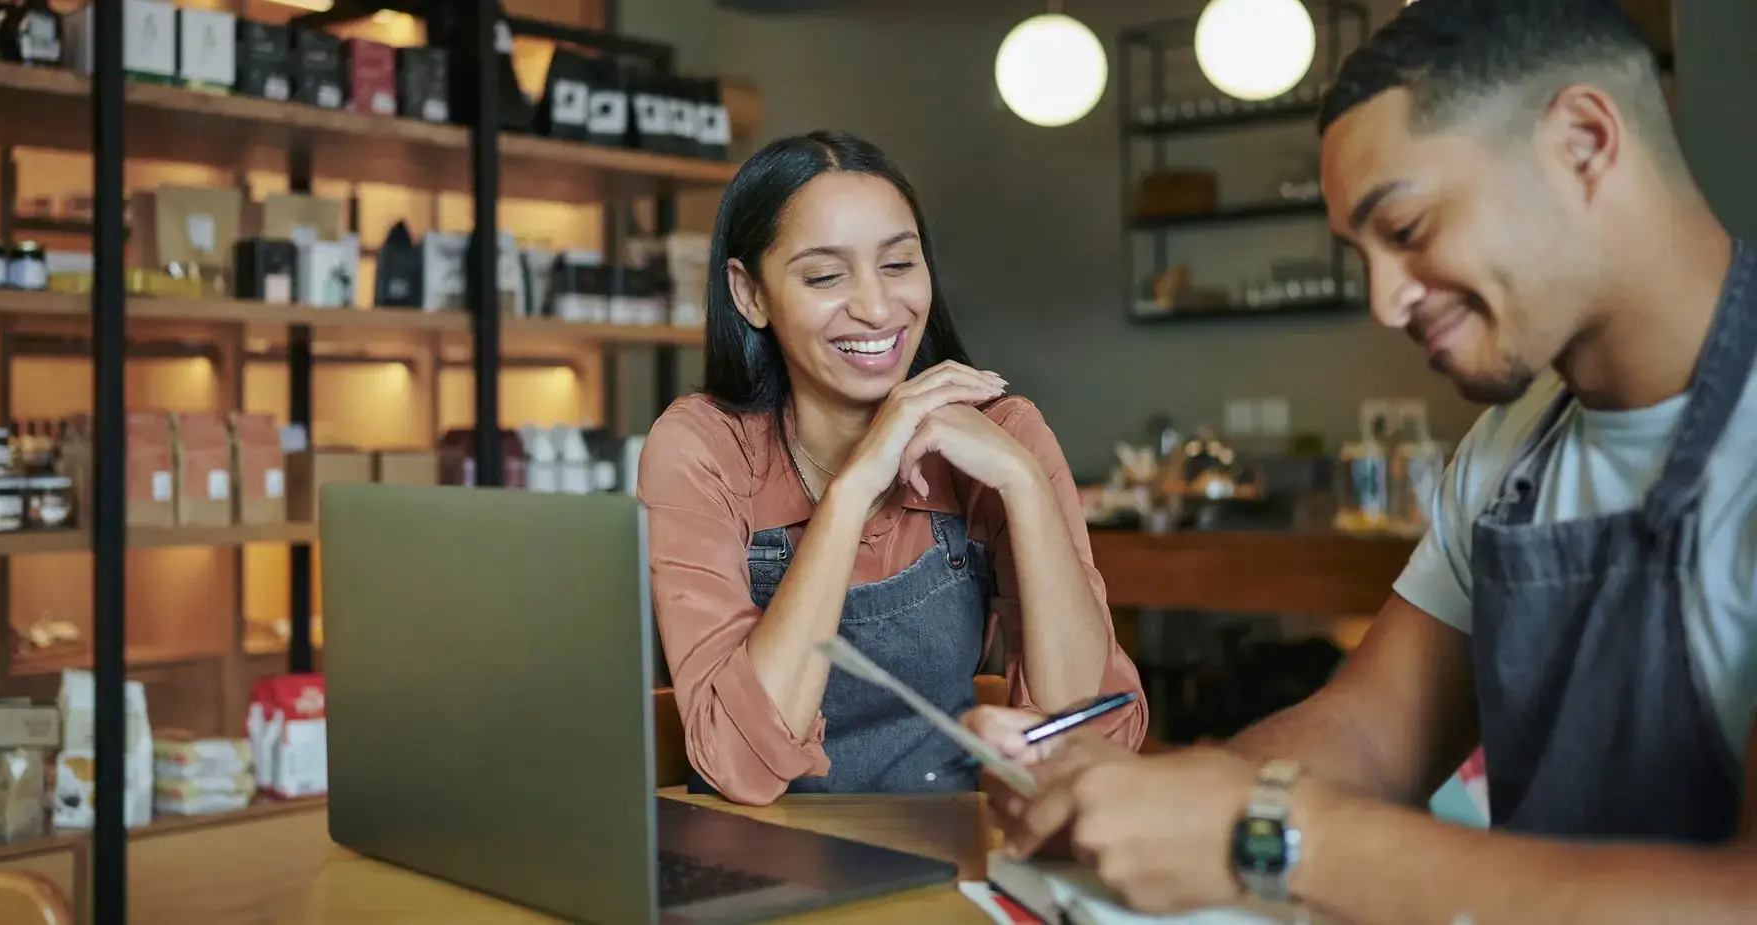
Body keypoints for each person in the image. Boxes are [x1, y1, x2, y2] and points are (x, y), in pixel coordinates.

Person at [969, 0, 1757, 921]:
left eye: (1410, 228)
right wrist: (1131, 800)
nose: (1385, 302)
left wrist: (1264, 832)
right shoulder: (1514, 444)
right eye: (1362, 255)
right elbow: (1373, 736)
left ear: (1583, 141)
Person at [639, 130, 1146, 806]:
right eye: (825, 275)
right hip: (760, 862)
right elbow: (738, 763)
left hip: (952, 850)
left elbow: (1091, 744)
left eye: (900, 265)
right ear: (749, 293)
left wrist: (1023, 485)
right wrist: (852, 491)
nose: (877, 308)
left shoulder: (1005, 438)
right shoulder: (704, 449)